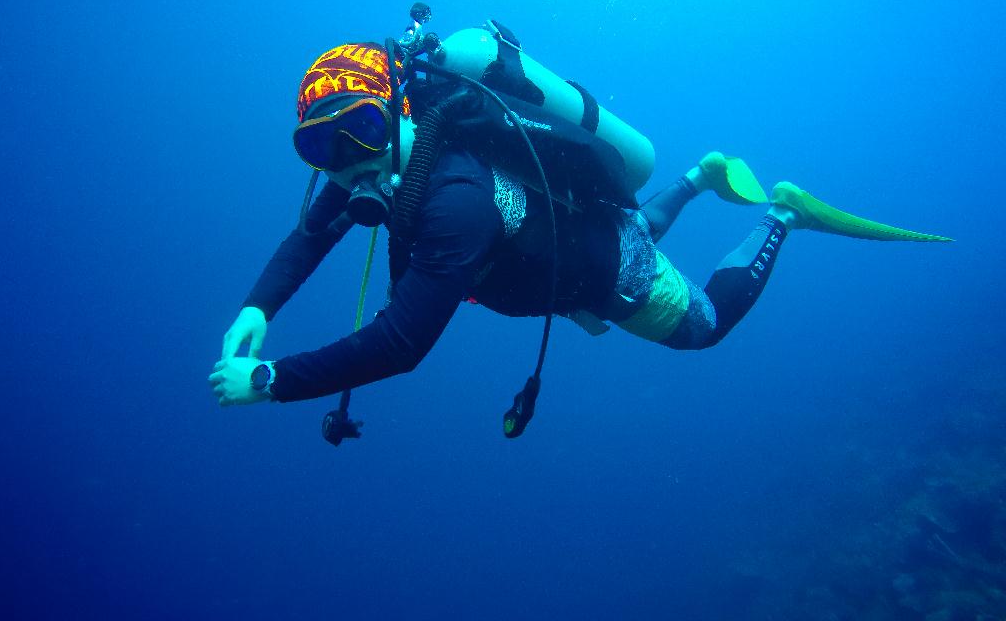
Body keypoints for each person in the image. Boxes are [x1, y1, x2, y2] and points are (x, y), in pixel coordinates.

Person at [209, 38, 949, 422]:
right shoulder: (379, 164)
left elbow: (402, 344)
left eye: (360, 131)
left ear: (401, 110)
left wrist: (271, 380)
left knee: (705, 326)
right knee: (638, 225)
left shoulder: (453, 201)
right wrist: (256, 308)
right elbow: (310, 235)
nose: (344, 166)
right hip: (574, 237)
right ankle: (700, 176)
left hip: (601, 269)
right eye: (319, 148)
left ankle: (783, 212)